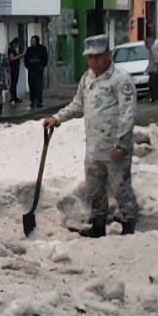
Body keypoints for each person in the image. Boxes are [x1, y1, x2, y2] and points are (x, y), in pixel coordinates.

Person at [43, 35, 139, 238]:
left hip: (114, 147)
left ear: (108, 55)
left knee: (120, 188)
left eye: (97, 57)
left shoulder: (120, 79)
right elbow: (78, 104)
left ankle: (129, 225)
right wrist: (57, 118)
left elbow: (127, 113)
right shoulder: (87, 78)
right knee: (94, 188)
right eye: (89, 57)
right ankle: (98, 224)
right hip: (94, 146)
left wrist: (121, 145)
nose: (93, 61)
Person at [23, 35, 49, 108]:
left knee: (38, 85)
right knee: (31, 85)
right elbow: (26, 59)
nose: (32, 42)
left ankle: (39, 101)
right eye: (31, 41)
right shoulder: (29, 49)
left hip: (38, 70)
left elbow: (45, 58)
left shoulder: (42, 49)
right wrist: (28, 66)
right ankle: (32, 100)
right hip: (31, 70)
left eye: (33, 41)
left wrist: (42, 66)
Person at [7, 39, 26, 104]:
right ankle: (13, 97)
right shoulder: (11, 50)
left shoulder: (13, 50)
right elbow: (12, 58)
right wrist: (21, 55)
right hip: (13, 68)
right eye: (17, 44)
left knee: (14, 83)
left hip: (16, 67)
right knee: (13, 83)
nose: (18, 46)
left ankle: (14, 97)